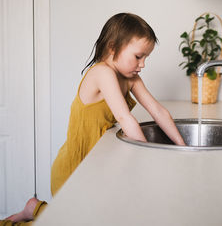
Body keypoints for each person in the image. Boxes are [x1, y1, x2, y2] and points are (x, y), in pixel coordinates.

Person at [1, 13, 186, 225]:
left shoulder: (131, 78)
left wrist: (182, 148)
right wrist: (148, 159)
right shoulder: (102, 73)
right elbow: (125, 118)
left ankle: (36, 208)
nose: (142, 64)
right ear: (113, 47)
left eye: (146, 58)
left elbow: (158, 111)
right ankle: (34, 211)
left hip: (95, 163)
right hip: (75, 166)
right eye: (138, 56)